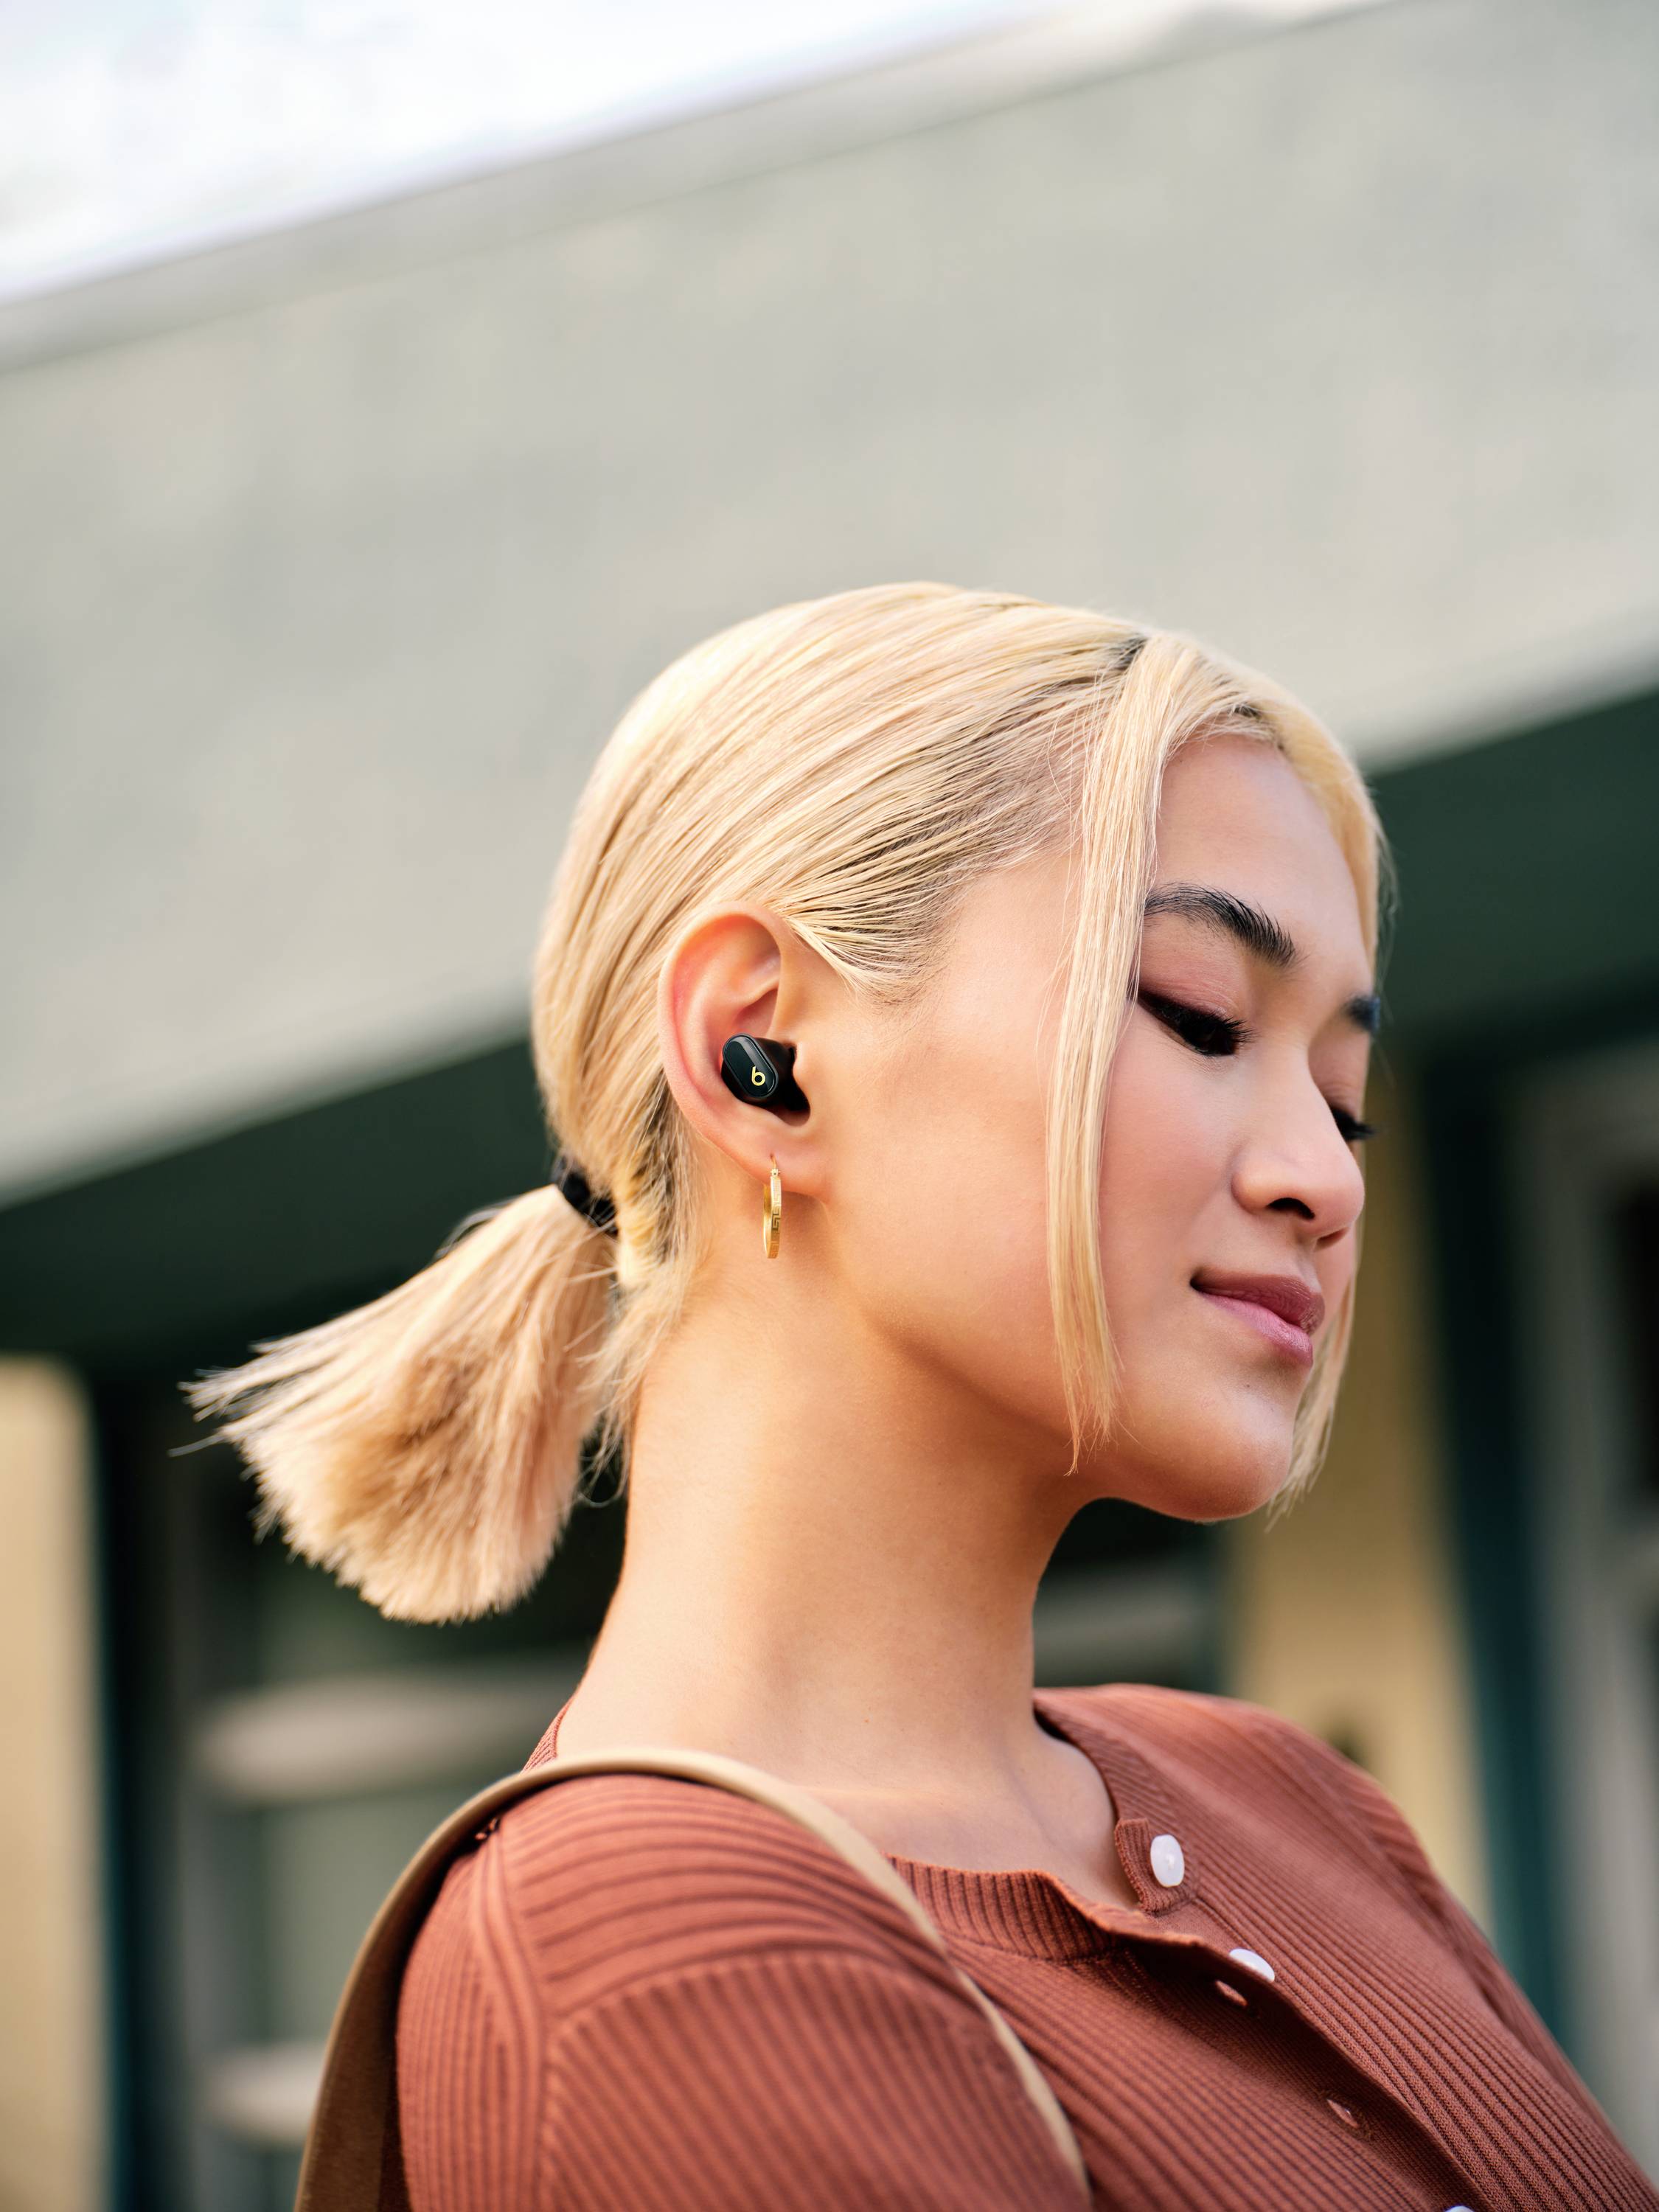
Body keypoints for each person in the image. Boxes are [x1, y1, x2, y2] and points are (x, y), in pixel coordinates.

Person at [189, 584, 1659, 2210]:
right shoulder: (658, 1958)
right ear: (764, 1052)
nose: (1325, 1177)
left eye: (1342, 1095)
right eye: (1200, 1015)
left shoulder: (1294, 1806)